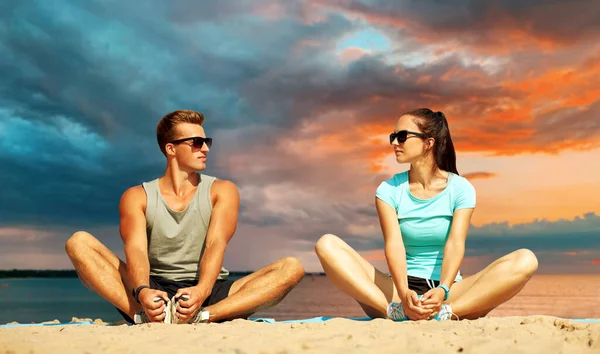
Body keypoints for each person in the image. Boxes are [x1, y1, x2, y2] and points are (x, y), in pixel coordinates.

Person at [66, 109, 305, 324]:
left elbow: (215, 244)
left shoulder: (222, 190)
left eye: (206, 141)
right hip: (153, 288)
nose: (206, 149)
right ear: (171, 148)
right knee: (78, 242)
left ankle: (205, 316)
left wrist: (201, 291)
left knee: (291, 268)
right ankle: (139, 314)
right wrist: (142, 290)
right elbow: (136, 249)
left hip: (209, 289)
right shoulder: (136, 196)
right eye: (197, 142)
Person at [315, 108, 538, 321]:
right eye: (393, 136)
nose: (394, 143)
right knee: (327, 244)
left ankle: (447, 314)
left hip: (447, 294)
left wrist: (443, 289)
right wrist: (403, 294)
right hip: (397, 293)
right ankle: (393, 312)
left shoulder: (460, 188)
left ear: (428, 142)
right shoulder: (389, 190)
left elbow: (455, 244)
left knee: (526, 259)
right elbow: (394, 245)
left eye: (402, 136)